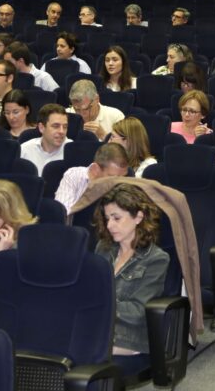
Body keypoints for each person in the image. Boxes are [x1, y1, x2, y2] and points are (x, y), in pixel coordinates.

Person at [92, 183, 169, 357]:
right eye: (107, 218)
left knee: (78, 346)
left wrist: (98, 306)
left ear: (138, 217)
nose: (110, 225)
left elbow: (138, 311)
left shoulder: (156, 259)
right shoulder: (103, 248)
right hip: (97, 325)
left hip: (129, 335)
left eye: (116, 218)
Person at [55, 143, 129, 211]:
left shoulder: (125, 186)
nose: (119, 182)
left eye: (123, 177)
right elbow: (62, 213)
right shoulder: (74, 175)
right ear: (95, 169)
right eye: (113, 177)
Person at [20, 105, 70, 174]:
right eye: (56, 126)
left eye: (65, 127)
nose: (62, 131)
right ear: (42, 128)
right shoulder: (25, 150)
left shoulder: (73, 151)